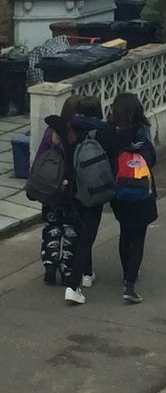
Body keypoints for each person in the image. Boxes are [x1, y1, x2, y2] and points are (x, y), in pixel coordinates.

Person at [64, 96, 116, 304]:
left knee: (82, 232)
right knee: (88, 236)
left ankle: (87, 273)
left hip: (75, 188)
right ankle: (73, 285)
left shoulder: (71, 127)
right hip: (96, 188)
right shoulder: (104, 131)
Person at [110, 93, 158, 304]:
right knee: (139, 237)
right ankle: (130, 282)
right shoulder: (142, 131)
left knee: (125, 233)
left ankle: (125, 274)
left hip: (120, 192)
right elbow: (152, 158)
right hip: (142, 192)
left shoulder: (112, 133)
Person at [34, 95, 84, 286]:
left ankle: (49, 264)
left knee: (51, 227)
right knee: (69, 230)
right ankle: (66, 269)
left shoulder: (51, 132)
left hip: (49, 190)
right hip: (69, 191)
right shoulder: (76, 134)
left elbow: (39, 159)